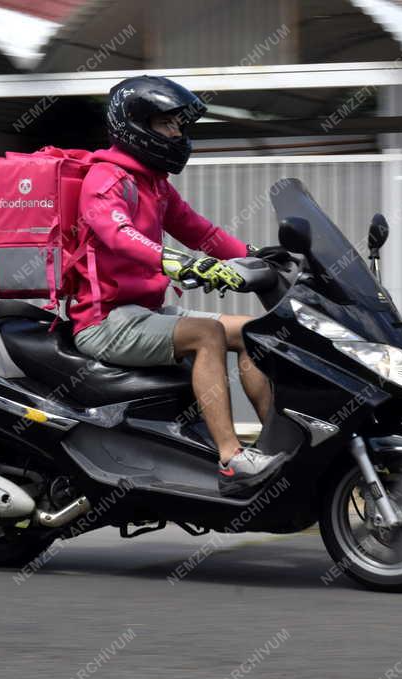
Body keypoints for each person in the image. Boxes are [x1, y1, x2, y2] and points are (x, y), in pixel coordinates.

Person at [68, 75, 285, 497]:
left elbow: (200, 232)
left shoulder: (154, 184)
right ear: (136, 126)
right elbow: (117, 234)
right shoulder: (107, 179)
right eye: (167, 124)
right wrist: (177, 262)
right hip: (103, 321)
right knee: (209, 334)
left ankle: (277, 442)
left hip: (144, 313)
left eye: (177, 125)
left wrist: (259, 256)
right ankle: (231, 457)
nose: (177, 133)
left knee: (255, 331)